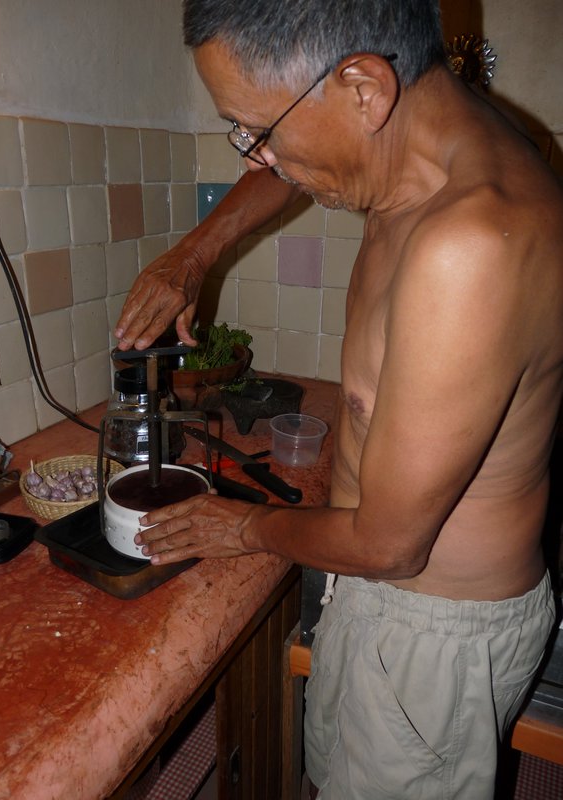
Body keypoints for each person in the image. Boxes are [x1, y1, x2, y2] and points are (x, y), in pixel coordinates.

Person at [115, 1, 563, 797]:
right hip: (379, 600)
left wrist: (243, 526)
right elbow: (282, 172)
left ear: (363, 88)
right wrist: (194, 256)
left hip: (428, 629)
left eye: (258, 128)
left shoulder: (469, 244)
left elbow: (394, 545)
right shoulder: (424, 153)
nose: (260, 156)